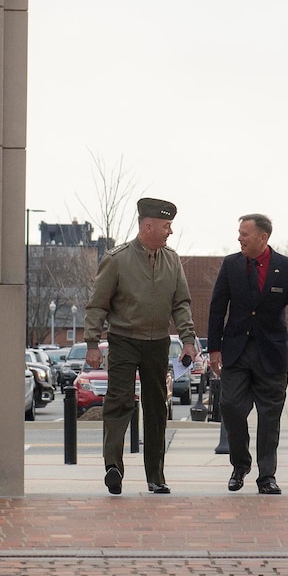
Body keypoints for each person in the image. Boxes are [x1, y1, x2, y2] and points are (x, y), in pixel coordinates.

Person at [84, 197, 198, 496]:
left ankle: (156, 476)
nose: (170, 232)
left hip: (158, 343)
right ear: (148, 226)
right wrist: (92, 343)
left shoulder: (172, 260)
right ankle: (113, 467)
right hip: (123, 341)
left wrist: (187, 340)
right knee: (118, 402)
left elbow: (181, 303)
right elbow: (97, 305)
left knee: (157, 409)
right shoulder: (117, 258)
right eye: (166, 226)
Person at [207, 213, 288, 495]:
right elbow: (217, 307)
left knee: (269, 416)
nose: (239, 237)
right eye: (239, 233)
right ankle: (240, 465)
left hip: (272, 354)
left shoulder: (287, 268)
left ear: (262, 237)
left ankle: (267, 476)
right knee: (230, 407)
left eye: (244, 233)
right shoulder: (230, 265)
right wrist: (214, 348)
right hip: (236, 352)